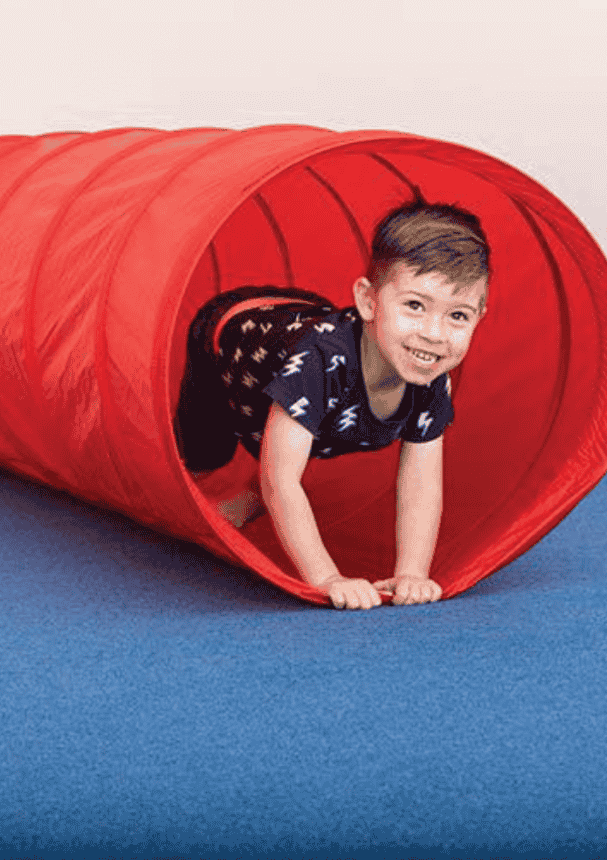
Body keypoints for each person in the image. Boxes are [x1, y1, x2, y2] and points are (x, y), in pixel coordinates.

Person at [174, 199, 490, 611]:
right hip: (229, 336)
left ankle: (249, 495)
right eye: (415, 306)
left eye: (458, 316)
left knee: (292, 435)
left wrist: (412, 571)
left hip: (300, 323)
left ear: (480, 316)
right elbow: (282, 481)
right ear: (368, 300)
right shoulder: (318, 364)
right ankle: (230, 487)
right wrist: (326, 578)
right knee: (205, 454)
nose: (434, 334)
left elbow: (422, 481)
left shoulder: (428, 373)